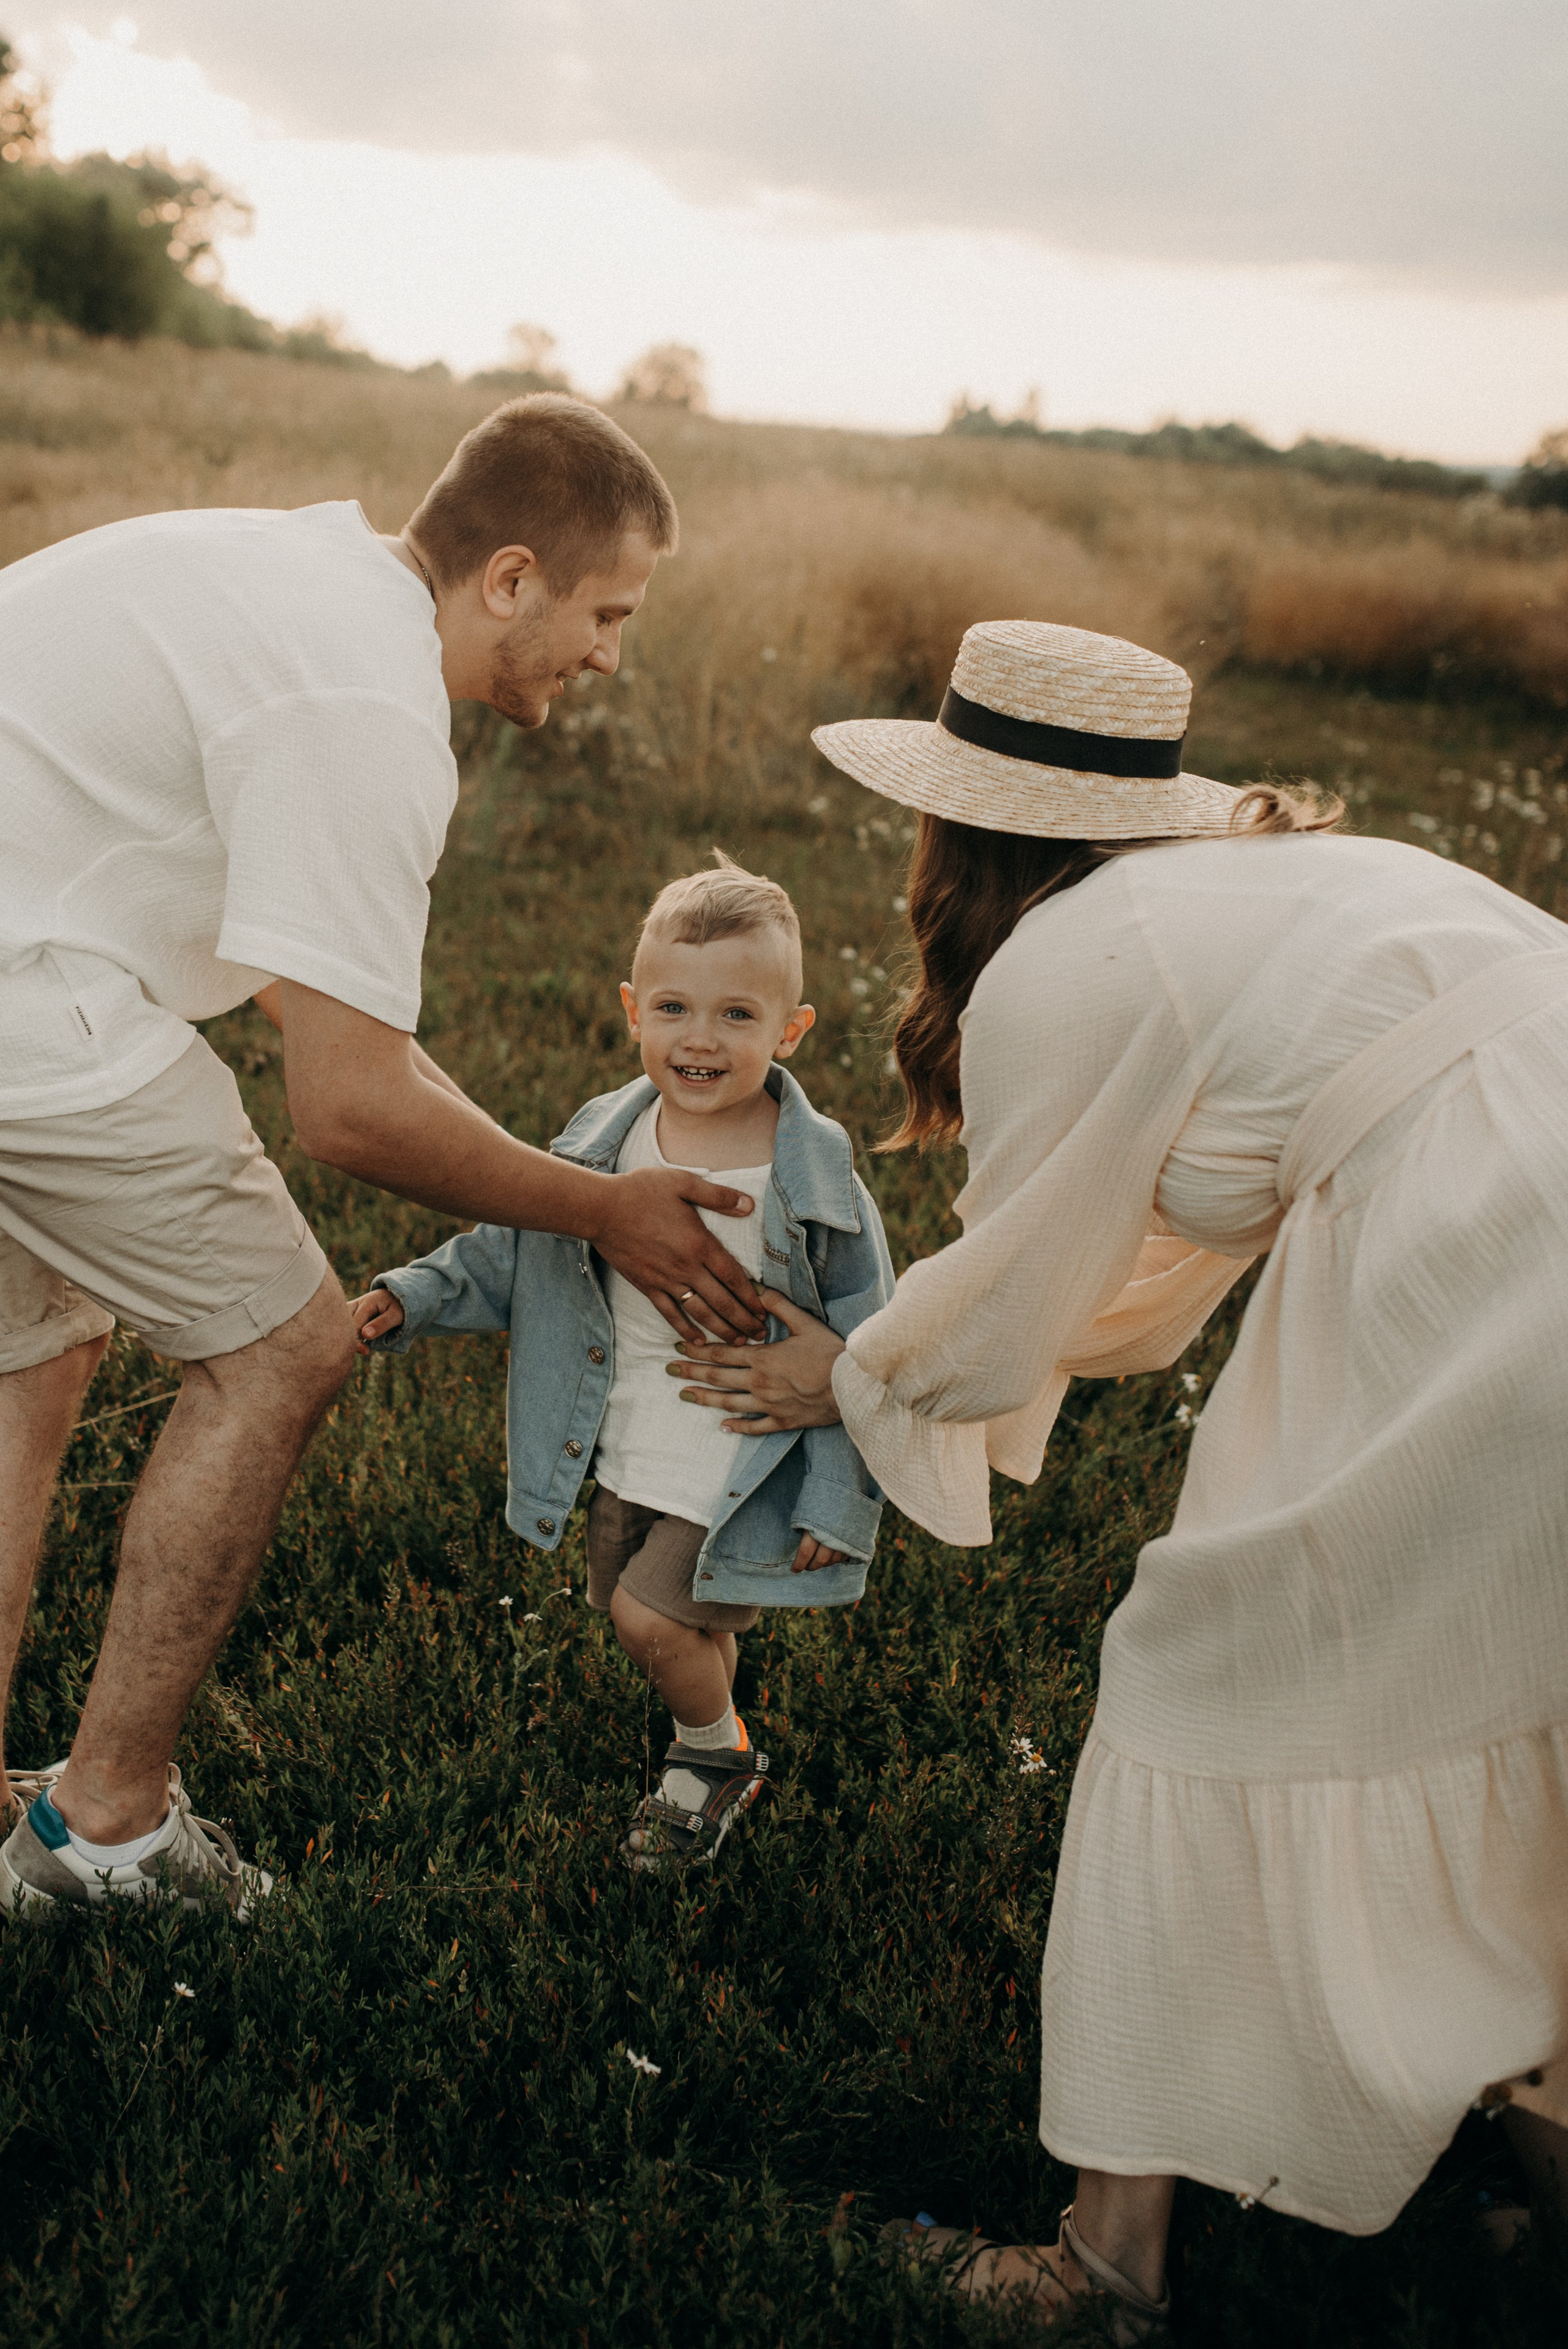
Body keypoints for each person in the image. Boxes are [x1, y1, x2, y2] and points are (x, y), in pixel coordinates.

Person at [670, 620, 1568, 2334]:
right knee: (1541, 1683)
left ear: (955, 831)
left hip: (1504, 1238)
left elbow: (1017, 1292)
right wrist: (900, 1361)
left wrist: (854, 1369)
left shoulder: (1069, 964)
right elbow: (1140, 1256)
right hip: (1525, 1167)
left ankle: (1103, 2269)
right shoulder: (1282, 878)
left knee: (1201, 1671)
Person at [0, 394, 771, 1919]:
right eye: (603, 611)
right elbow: (346, 1109)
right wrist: (603, 1210)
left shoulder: (301, 581)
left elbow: (329, 1009)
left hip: (27, 944)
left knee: (34, 1358)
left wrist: (569, 1180)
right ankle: (107, 1833)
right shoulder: (362, 713)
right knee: (281, 1352)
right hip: (29, 996)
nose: (611, 653)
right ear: (507, 576)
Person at [350, 853, 894, 1869]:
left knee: (648, 1619)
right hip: (627, 1437)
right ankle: (711, 1705)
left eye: (738, 1015)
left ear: (792, 1030)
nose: (700, 1038)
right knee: (647, 1609)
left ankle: (713, 1754)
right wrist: (418, 1293)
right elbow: (514, 1250)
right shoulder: (603, 1146)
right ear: (631, 1009)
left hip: (741, 1462)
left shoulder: (816, 1186)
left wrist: (839, 1499)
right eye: (675, 1008)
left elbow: (872, 1354)